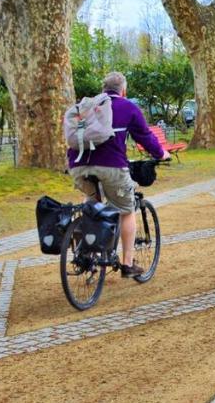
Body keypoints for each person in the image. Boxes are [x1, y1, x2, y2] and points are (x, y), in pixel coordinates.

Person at [66, 72, 167, 279]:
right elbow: (145, 136)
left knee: (92, 205)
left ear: (103, 89)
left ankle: (87, 255)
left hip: (77, 167)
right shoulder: (127, 106)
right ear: (123, 90)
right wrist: (161, 153)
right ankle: (128, 263)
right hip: (111, 167)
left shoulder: (88, 106)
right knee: (126, 210)